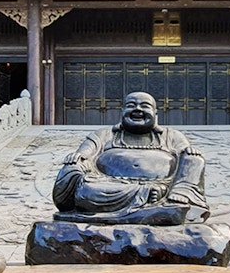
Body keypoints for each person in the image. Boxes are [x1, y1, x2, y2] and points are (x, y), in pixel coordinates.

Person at [52, 91, 209, 225]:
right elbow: (84, 154)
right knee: (86, 189)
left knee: (194, 159)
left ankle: (177, 198)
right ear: (122, 112)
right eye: (131, 105)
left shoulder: (172, 136)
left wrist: (190, 153)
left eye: (145, 106)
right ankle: (152, 203)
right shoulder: (104, 134)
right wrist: (78, 158)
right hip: (110, 187)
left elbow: (186, 155)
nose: (138, 109)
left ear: (155, 114)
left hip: (163, 185)